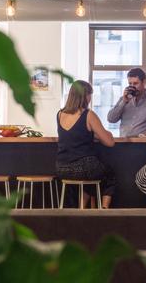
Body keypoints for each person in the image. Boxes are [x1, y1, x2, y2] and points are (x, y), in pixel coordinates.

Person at [56, 80, 116, 208]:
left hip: (62, 168)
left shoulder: (60, 114)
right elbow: (109, 142)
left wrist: (91, 135)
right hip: (84, 167)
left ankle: (82, 210)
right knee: (108, 174)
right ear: (85, 96)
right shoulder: (88, 115)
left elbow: (75, 134)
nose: (90, 98)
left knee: (91, 176)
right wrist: (106, 134)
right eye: (90, 95)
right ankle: (104, 211)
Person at [107, 67, 146, 137]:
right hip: (124, 143)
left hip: (143, 144)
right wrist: (124, 102)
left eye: (135, 83)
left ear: (144, 82)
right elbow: (111, 119)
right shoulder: (123, 99)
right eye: (130, 84)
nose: (132, 87)